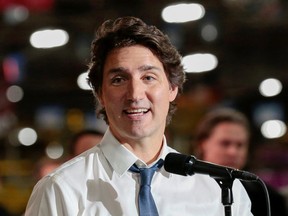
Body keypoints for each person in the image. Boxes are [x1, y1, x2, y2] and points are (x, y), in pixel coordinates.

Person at [24, 16, 252, 216]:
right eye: (118, 80)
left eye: (149, 77)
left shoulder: (220, 191)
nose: (134, 94)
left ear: (173, 88)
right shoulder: (61, 189)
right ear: (101, 94)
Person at [194, 107, 288, 216]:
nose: (233, 152)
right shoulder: (181, 187)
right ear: (202, 144)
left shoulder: (268, 197)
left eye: (240, 145)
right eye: (225, 143)